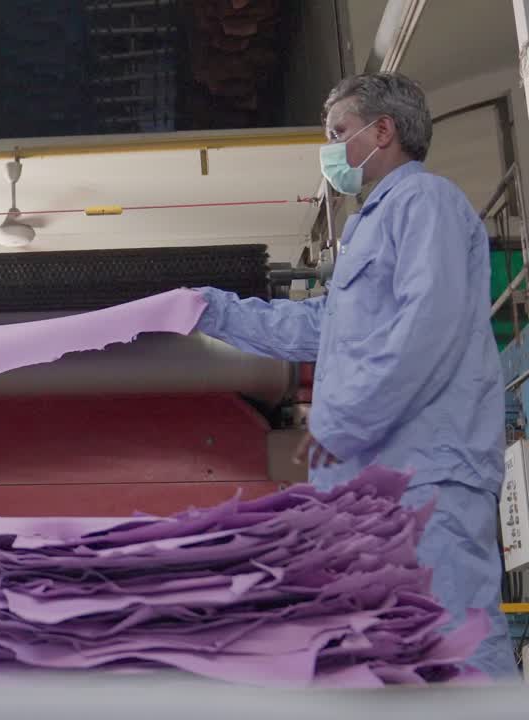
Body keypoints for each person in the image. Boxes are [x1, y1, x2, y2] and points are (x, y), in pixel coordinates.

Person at [195, 72, 517, 678]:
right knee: (400, 645)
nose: (332, 148)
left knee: (455, 633)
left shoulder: (427, 203)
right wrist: (213, 311)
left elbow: (428, 326)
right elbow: (322, 327)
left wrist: (341, 424)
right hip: (386, 474)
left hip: (428, 471)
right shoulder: (369, 225)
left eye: (339, 132)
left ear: (383, 130)